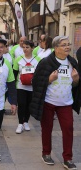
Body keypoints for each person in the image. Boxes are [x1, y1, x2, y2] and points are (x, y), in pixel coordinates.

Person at [30, 36, 81, 170]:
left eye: (68, 44)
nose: (67, 47)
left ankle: (67, 158)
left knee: (68, 128)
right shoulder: (46, 62)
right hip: (48, 101)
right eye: (64, 45)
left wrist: (76, 80)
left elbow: (75, 85)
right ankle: (46, 153)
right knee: (47, 128)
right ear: (56, 47)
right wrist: (49, 79)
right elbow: (35, 82)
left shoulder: (72, 62)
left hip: (66, 102)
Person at [13, 40, 41, 133]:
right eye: (23, 47)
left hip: (33, 87)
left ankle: (26, 122)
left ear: (32, 48)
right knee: (21, 104)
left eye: (27, 47)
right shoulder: (18, 59)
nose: (25, 49)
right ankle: (20, 123)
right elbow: (14, 73)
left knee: (29, 105)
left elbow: (40, 74)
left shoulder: (38, 59)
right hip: (20, 86)